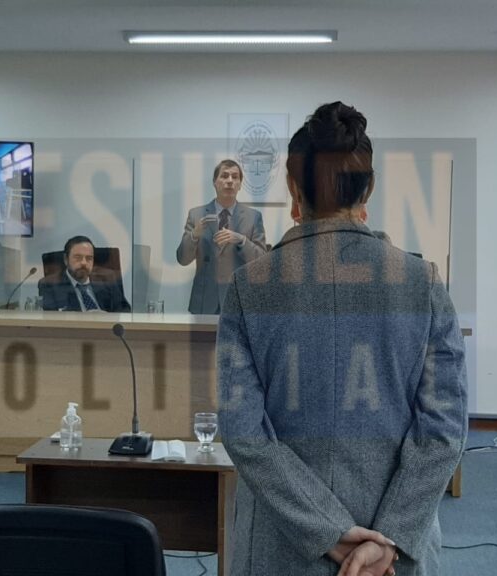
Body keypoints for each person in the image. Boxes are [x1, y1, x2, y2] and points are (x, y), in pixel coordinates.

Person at [217, 102, 468, 576]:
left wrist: (327, 532)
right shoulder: (423, 282)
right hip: (392, 554)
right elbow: (444, 429)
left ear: (293, 188)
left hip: (282, 545)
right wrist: (390, 537)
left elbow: (244, 433)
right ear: (368, 187)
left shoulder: (249, 288)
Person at [176, 159, 267, 314]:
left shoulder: (253, 217)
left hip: (240, 301)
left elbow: (263, 262)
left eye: (235, 177)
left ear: (240, 184)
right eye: (224, 176)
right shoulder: (196, 214)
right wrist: (194, 235)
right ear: (214, 182)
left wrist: (242, 240)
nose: (230, 181)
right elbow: (182, 259)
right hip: (204, 301)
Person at [38, 235, 131, 312]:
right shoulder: (49, 285)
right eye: (78, 258)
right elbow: (51, 320)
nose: (84, 263)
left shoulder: (107, 278)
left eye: (89, 258)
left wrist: (106, 318)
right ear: (66, 260)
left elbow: (125, 311)